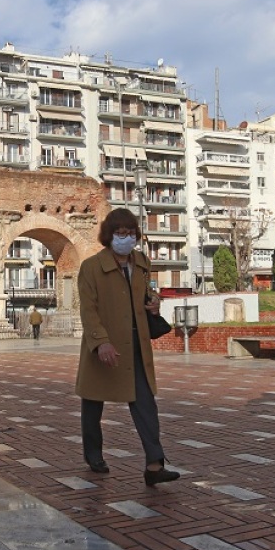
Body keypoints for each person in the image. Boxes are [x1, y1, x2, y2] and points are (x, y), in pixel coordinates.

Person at [75, 208, 180, 486]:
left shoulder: (142, 262)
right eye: (121, 233)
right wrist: (101, 342)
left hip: (136, 344)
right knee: (93, 403)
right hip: (105, 344)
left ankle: (155, 464)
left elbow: (148, 293)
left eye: (131, 233)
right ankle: (93, 455)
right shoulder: (91, 267)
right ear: (109, 236)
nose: (126, 238)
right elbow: (88, 309)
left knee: (146, 403)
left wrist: (154, 301)